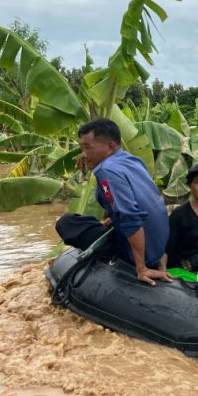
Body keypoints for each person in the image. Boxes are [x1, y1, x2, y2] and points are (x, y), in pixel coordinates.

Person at [55, 118, 170, 286]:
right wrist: (109, 221)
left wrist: (141, 268)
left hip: (142, 251)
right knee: (96, 223)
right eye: (82, 148)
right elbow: (138, 201)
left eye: (87, 148)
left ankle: (132, 261)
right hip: (158, 245)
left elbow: (130, 218)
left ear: (109, 147)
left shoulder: (106, 171)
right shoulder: (132, 160)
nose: (84, 154)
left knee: (66, 222)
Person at [165, 163, 198, 272]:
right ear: (189, 185)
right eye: (197, 182)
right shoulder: (179, 214)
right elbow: (168, 248)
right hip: (183, 270)